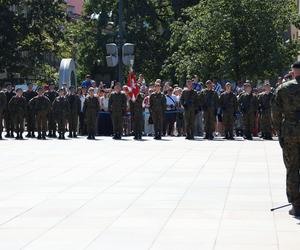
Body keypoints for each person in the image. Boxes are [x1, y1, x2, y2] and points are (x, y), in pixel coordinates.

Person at [272, 61, 300, 217]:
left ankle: (296, 205)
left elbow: (275, 113)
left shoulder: (283, 88)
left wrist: (278, 131)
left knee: (292, 168)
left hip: (290, 132)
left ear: (292, 71)